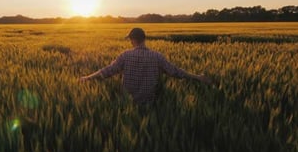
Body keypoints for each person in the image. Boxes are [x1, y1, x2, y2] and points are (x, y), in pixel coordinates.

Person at [80, 28, 211, 105]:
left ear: (132, 40)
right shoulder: (157, 56)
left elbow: (106, 72)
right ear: (144, 39)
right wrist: (198, 77)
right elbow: (176, 72)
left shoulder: (125, 55)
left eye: (130, 39)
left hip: (127, 103)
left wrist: (87, 78)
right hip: (150, 104)